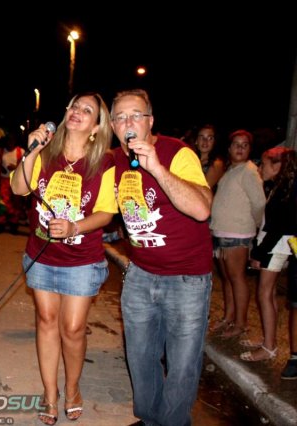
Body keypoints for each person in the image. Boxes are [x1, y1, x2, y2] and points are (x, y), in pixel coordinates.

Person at [11, 93, 116, 424]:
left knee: (72, 328)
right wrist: (32, 151)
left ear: (96, 127)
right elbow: (18, 188)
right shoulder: (45, 153)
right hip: (42, 253)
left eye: (87, 110)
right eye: (74, 106)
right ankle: (49, 393)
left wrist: (74, 227)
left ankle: (72, 388)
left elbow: (106, 212)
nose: (77, 112)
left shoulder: (104, 163)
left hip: (82, 258)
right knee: (46, 320)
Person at [110, 89, 213, 426]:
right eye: (120, 117)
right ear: (112, 125)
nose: (128, 122)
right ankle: (150, 419)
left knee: (182, 364)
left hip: (187, 279)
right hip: (140, 274)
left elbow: (202, 209)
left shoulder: (177, 153)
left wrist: (156, 167)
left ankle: (173, 422)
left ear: (150, 121)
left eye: (136, 115)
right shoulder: (113, 161)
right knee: (140, 358)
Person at [209, 130, 265, 339]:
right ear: (229, 148)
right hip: (222, 232)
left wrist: (255, 225)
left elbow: (259, 203)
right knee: (227, 279)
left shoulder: (249, 171)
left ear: (250, 149)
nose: (240, 148)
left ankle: (240, 324)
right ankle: (229, 317)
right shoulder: (231, 170)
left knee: (237, 278)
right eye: (236, 144)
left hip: (237, 233)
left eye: (245, 145)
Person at [243, 147, 297, 361]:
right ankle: (269, 340)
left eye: (264, 164)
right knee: (269, 294)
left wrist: (259, 252)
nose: (259, 168)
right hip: (274, 245)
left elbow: (278, 227)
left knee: (264, 294)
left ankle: (268, 347)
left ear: (277, 166)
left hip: (276, 246)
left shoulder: (285, 190)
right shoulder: (280, 187)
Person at [194, 124, 225, 190]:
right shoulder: (192, 159)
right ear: (196, 141)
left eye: (210, 138)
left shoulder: (216, 164)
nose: (205, 141)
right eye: (202, 137)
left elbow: (205, 188)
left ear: (214, 142)